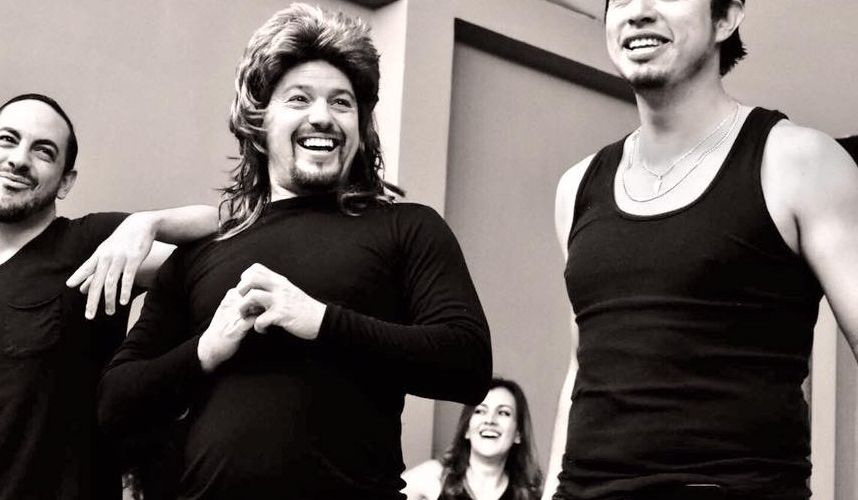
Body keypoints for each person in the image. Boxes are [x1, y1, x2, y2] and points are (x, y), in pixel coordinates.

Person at [96, 4, 492, 499]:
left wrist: (320, 320)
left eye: (341, 102)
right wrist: (204, 351)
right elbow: (115, 403)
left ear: (360, 128)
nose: (322, 116)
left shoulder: (407, 227)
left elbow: (467, 363)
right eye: (299, 98)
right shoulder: (205, 249)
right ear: (259, 124)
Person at [544, 1, 858, 499]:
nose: (638, 11)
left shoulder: (801, 161)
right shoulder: (576, 186)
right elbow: (583, 369)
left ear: (726, 17)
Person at [0, 93, 223, 500]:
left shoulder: (91, 248)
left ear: (65, 181)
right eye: (7, 140)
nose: (19, 159)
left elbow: (235, 231)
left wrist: (149, 223)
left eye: (43, 151)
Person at [402, 378, 542, 500]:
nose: (490, 420)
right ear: (467, 429)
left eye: (503, 413)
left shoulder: (528, 495)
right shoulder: (434, 477)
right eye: (480, 411)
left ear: (518, 433)